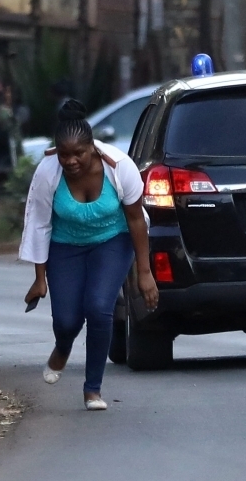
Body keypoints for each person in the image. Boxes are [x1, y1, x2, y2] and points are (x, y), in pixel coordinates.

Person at [18, 100, 156, 410]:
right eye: (64, 154)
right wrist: (39, 278)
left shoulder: (120, 167)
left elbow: (136, 220)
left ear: (92, 147)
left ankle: (92, 388)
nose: (71, 161)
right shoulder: (47, 172)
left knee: (98, 307)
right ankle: (62, 347)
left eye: (78, 153)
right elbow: (39, 224)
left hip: (112, 240)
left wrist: (144, 274)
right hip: (65, 245)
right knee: (66, 320)